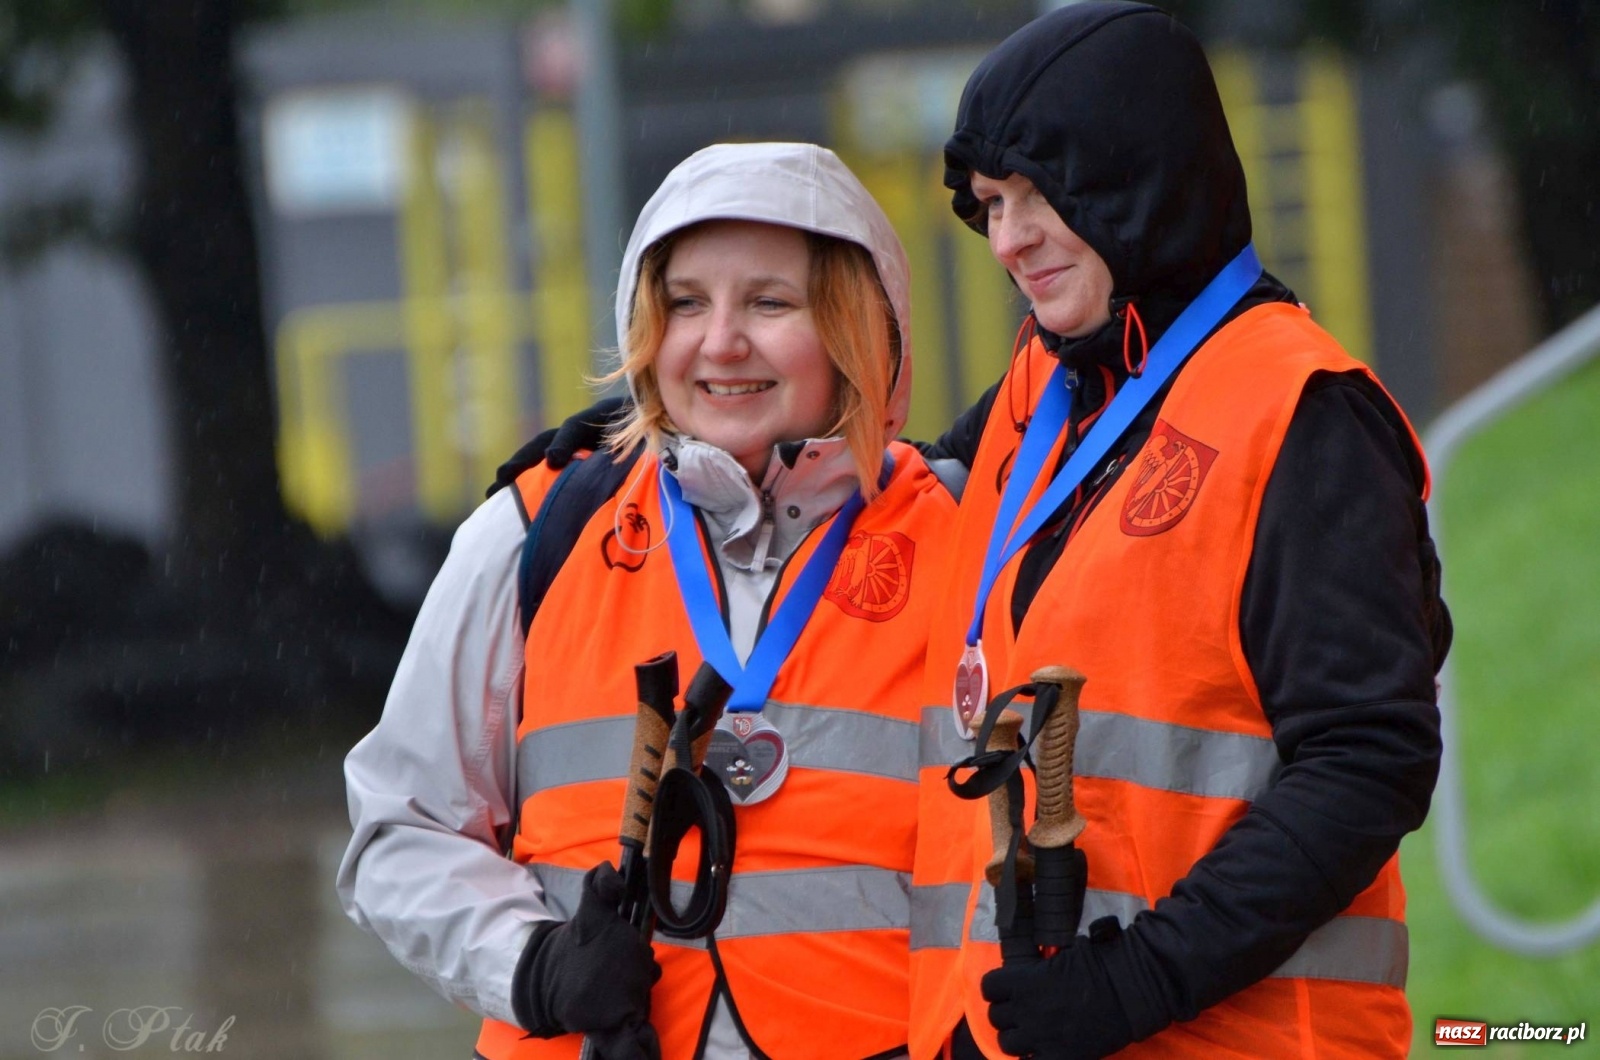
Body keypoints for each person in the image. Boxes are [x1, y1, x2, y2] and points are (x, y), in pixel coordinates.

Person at [906, 3, 1450, 1058]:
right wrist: (639, 446)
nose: (1008, 240)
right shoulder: (1048, 380)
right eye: (991, 204)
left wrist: (1139, 978)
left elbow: (1367, 760)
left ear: (1137, 176)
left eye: (1040, 194)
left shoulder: (1303, 412)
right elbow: (893, 496)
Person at [337, 142, 955, 1059]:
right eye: (686, 303)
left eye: (771, 303)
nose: (721, 342)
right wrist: (533, 967)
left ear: (859, 329)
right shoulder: (534, 532)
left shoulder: (966, 541)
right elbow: (401, 829)